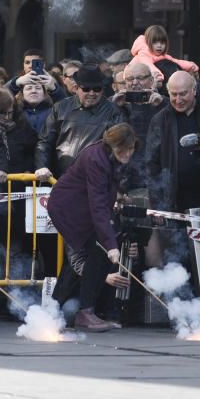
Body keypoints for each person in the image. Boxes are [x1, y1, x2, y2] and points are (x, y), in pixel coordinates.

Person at [46, 123, 137, 332]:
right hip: (70, 209)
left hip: (81, 207)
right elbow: (97, 205)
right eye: (123, 149)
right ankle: (82, 311)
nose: (128, 153)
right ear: (112, 145)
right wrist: (111, 244)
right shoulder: (96, 158)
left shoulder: (108, 156)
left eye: (131, 148)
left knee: (90, 256)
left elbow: (107, 191)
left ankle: (57, 311)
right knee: (96, 253)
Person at [145, 71, 200, 213]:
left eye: (183, 94)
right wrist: (157, 206)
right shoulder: (160, 120)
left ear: (194, 90)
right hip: (175, 200)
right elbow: (152, 165)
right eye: (173, 94)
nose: (178, 100)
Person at [35, 65, 126, 181]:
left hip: (96, 181)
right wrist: (42, 166)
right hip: (61, 180)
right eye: (86, 89)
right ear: (76, 88)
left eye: (97, 89)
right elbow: (45, 141)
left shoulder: (113, 112)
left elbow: (119, 149)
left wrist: (118, 186)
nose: (92, 93)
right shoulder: (60, 107)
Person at [128, 25, 199, 85]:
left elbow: (176, 61)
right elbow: (149, 66)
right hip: (132, 80)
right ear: (148, 42)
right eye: (155, 42)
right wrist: (158, 76)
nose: (159, 46)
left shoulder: (162, 56)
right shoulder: (143, 53)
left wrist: (191, 66)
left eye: (162, 43)